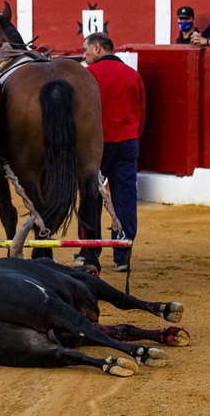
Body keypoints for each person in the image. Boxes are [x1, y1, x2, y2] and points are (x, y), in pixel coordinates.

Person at [80, 31, 144, 272]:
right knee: (125, 197)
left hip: (96, 145)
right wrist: (132, 142)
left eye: (85, 50)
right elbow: (141, 113)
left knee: (90, 196)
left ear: (98, 48)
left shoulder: (89, 75)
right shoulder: (133, 75)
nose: (84, 55)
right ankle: (123, 253)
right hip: (127, 143)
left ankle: (89, 251)